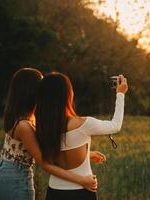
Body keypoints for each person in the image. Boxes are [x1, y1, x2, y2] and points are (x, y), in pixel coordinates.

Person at [0, 68, 100, 200]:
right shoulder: (25, 126)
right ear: (33, 91)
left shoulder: (16, 116)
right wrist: (81, 180)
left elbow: (46, 151)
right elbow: (46, 162)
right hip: (15, 178)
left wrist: (86, 154)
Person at [35, 72, 128, 200]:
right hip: (82, 191)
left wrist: (87, 154)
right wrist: (120, 94)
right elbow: (115, 125)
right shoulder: (83, 124)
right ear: (68, 95)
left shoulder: (40, 127)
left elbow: (56, 153)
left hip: (54, 192)